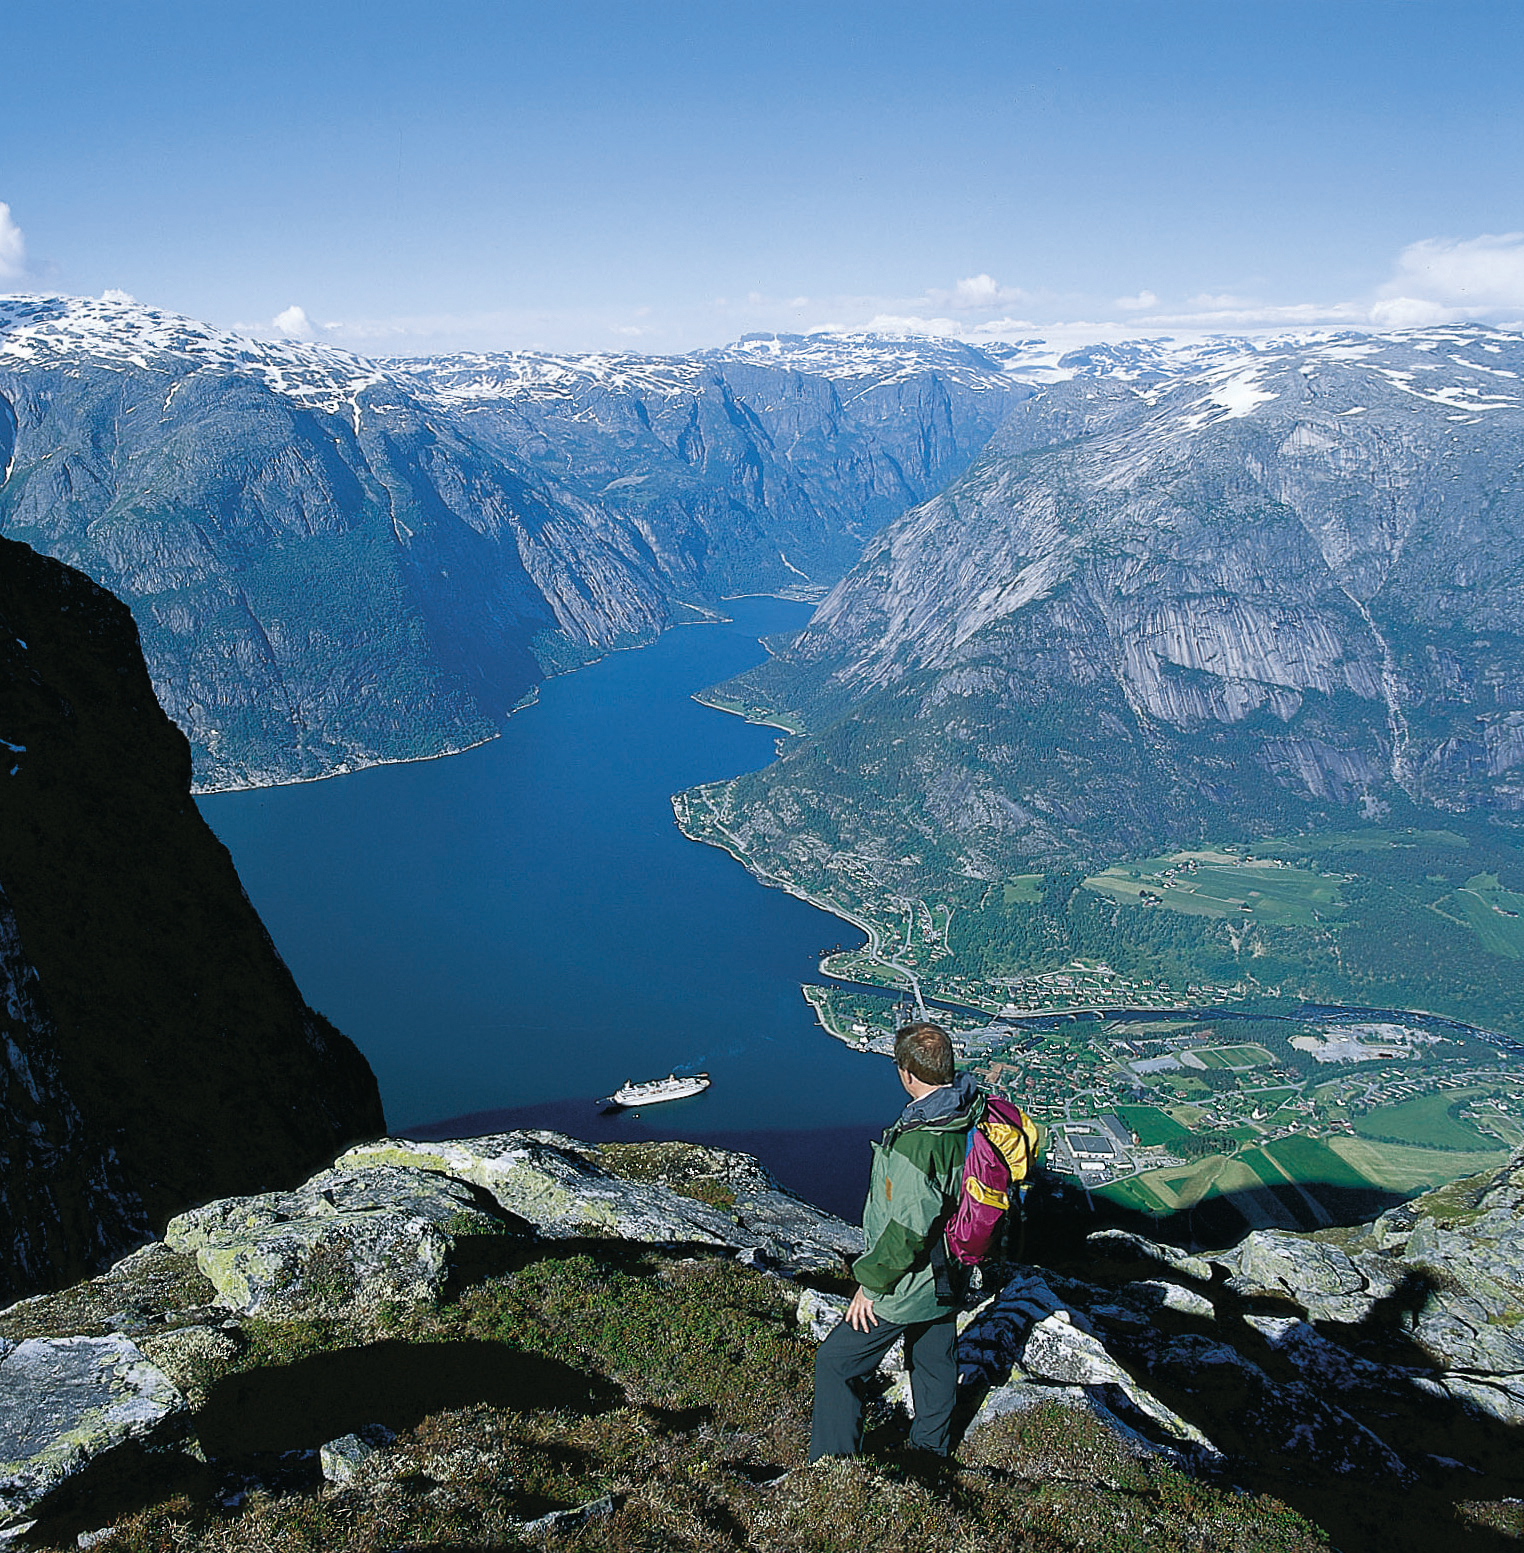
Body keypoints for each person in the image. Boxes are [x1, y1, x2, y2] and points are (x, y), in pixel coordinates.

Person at [808, 1021, 980, 1463]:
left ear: (907, 1073)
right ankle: (930, 1453)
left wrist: (870, 1284)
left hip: (910, 1282)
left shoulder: (920, 1144)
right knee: (934, 1362)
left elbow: (906, 1232)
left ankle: (833, 1468)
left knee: (836, 1364)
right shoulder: (966, 1110)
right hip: (951, 1269)